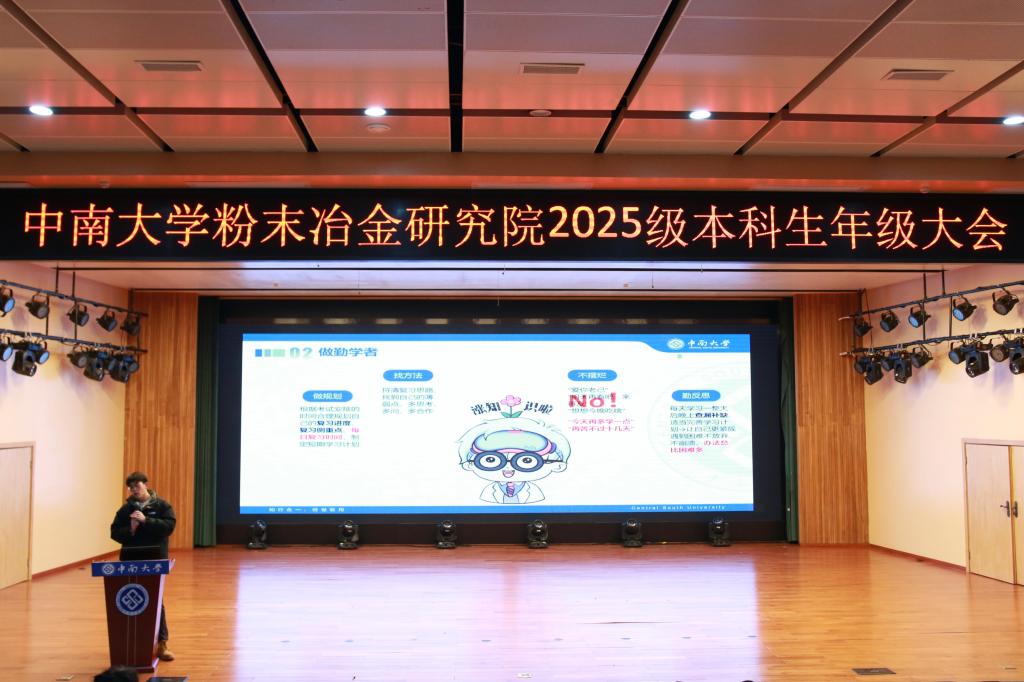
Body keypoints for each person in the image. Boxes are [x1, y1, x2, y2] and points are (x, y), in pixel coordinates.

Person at [110, 471, 177, 662]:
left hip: (154, 560)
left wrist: (146, 521)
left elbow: (168, 527)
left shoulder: (162, 506)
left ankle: (162, 644)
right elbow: (114, 533)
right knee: (131, 601)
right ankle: (132, 644)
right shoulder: (125, 510)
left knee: (156, 600)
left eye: (137, 485)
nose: (134, 490)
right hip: (130, 561)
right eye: (130, 487)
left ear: (146, 485)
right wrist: (130, 529)